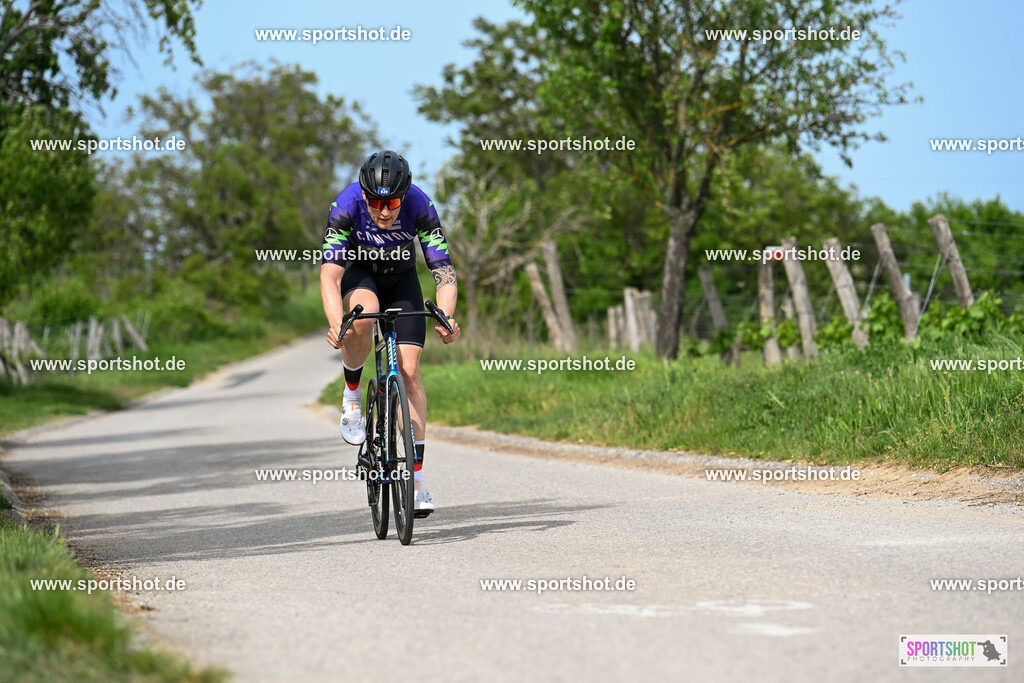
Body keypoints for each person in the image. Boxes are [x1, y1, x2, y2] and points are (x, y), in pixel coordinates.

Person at [320, 150, 460, 514]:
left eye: (393, 203)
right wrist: (336, 322)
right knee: (363, 317)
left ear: (405, 196)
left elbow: (443, 271)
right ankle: (352, 395)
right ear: (364, 195)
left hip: (402, 280)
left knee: (410, 371)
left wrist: (446, 316)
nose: (384, 212)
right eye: (377, 203)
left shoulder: (421, 205)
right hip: (361, 274)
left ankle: (417, 481)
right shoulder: (346, 205)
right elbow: (330, 274)